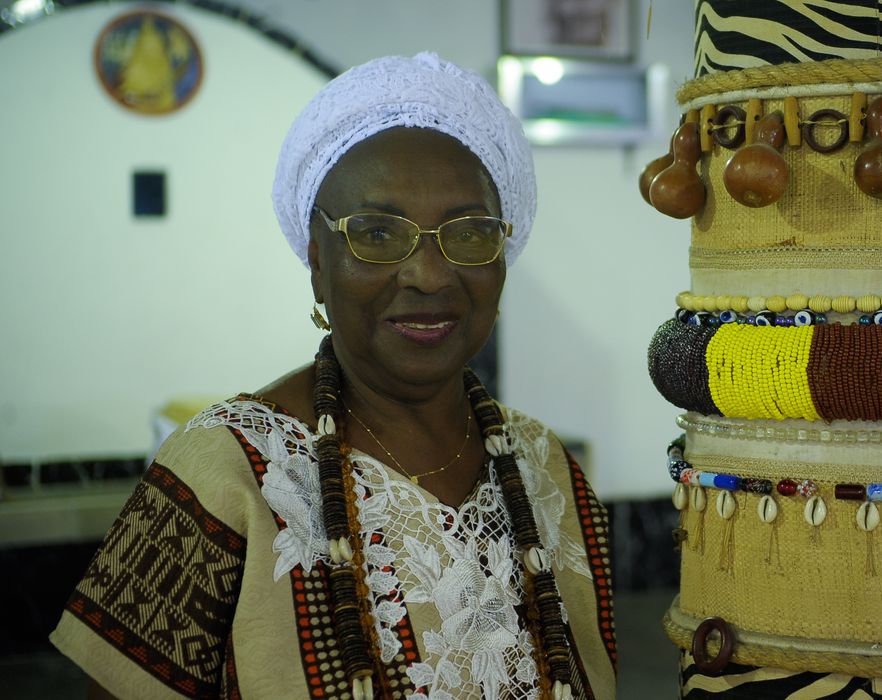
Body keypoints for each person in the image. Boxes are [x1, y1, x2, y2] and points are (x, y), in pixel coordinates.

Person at [50, 53, 617, 700]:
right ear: (318, 262)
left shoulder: (546, 469)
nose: (429, 275)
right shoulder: (224, 472)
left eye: (468, 232)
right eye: (377, 233)